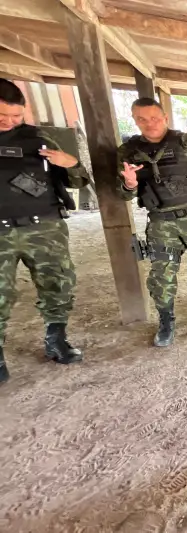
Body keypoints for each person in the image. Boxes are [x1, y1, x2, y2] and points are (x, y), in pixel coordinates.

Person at [0, 78, 88, 383]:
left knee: (57, 284)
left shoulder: (39, 137)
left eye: (16, 116)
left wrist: (70, 162)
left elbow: (79, 181)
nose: (9, 122)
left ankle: (56, 340)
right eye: (2, 116)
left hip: (44, 227)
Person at [117, 98, 187, 347]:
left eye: (155, 118)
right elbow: (124, 194)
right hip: (160, 222)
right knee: (162, 274)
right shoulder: (128, 152)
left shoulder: (186, 143)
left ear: (165, 117)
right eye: (142, 119)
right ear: (135, 120)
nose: (149, 124)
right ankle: (166, 321)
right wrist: (129, 184)